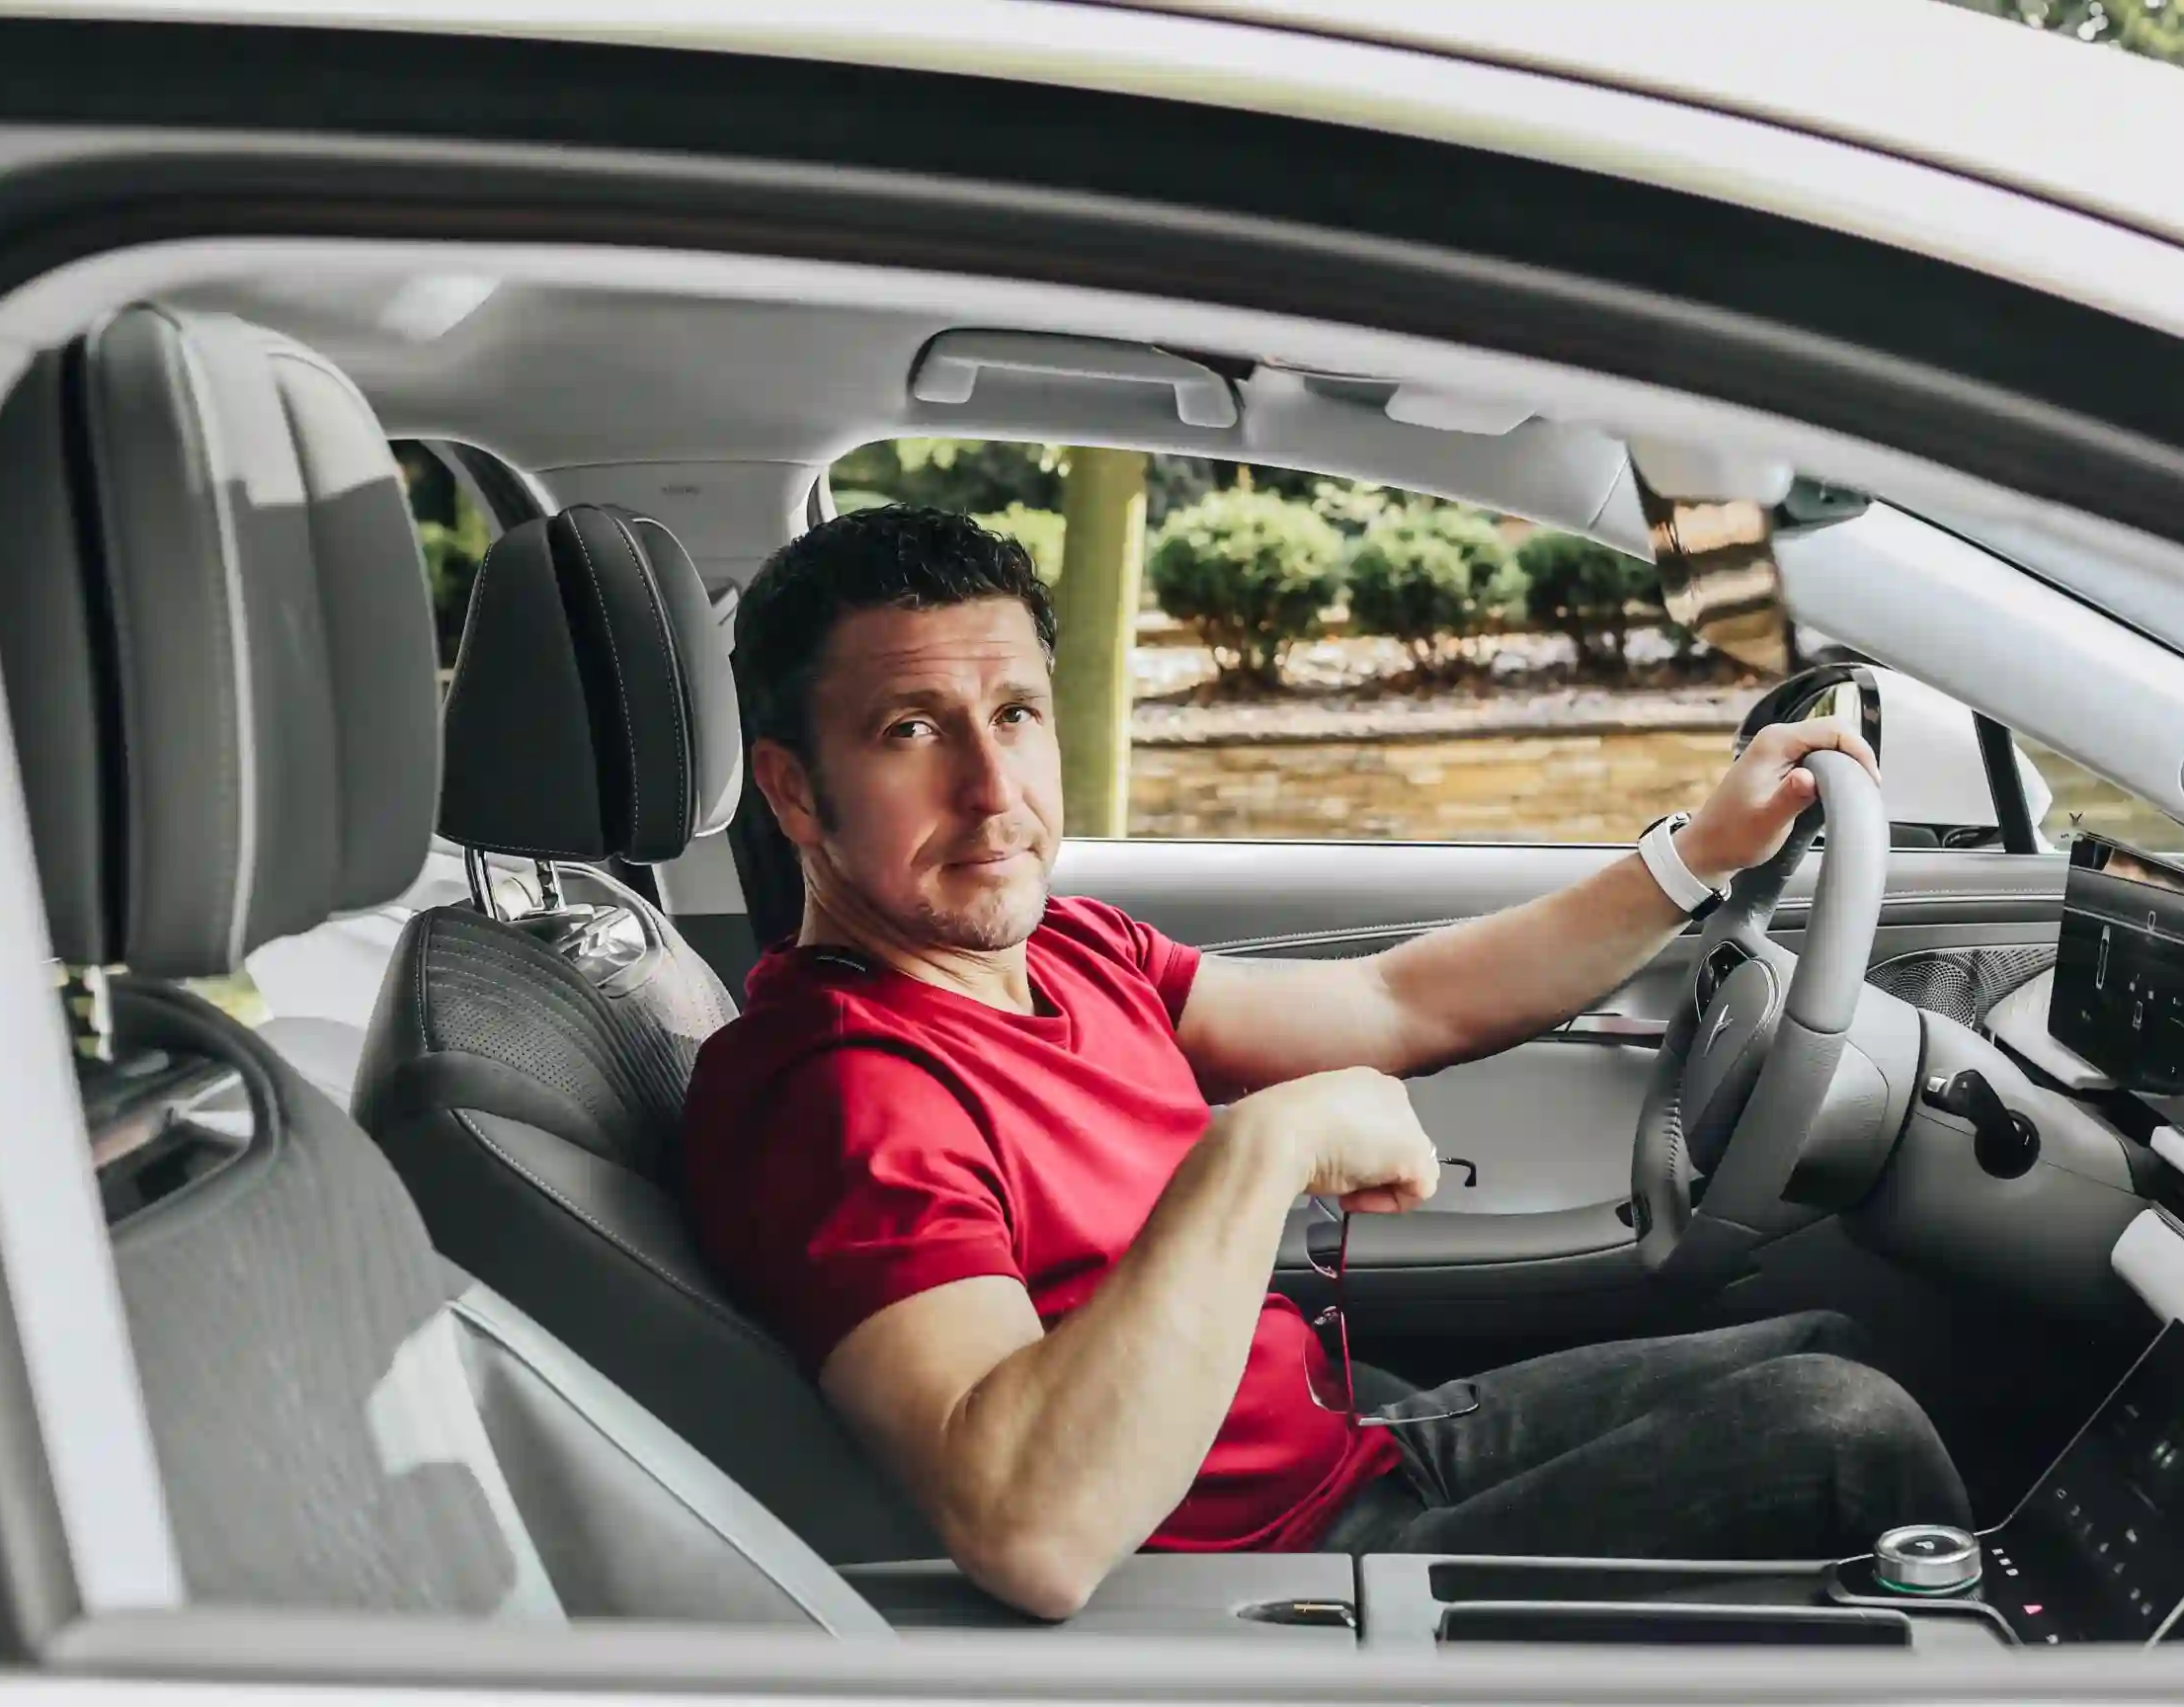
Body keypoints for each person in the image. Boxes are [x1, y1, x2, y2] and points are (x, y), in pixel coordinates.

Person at [684, 505, 1967, 1620]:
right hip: (1262, 1590)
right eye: (913, 729)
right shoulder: (835, 1095)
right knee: (1844, 1435)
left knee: (1834, 1344)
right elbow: (1030, 1528)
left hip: (1349, 1453)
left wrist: (1694, 857)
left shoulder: (1064, 948)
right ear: (794, 793)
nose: (991, 790)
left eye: (1014, 714)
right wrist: (1268, 1142)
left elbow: (1389, 1001)